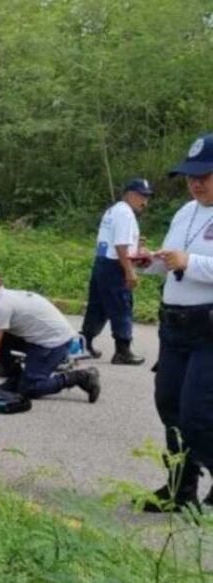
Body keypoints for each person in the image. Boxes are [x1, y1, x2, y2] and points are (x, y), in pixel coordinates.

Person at [139, 134, 213, 512]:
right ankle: (180, 490)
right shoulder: (186, 211)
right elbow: (173, 260)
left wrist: (190, 263)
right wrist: (150, 261)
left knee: (197, 411)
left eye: (205, 175)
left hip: (209, 328)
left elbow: (188, 262)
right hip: (175, 326)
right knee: (169, 404)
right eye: (190, 176)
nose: (196, 183)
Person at [0, 268, 101, 402]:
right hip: (41, 337)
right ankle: (16, 380)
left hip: (54, 343)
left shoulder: (1, 306)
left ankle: (81, 377)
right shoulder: (2, 297)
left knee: (30, 389)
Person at [79, 178, 153, 364]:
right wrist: (129, 271)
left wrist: (136, 244)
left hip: (102, 262)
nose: (144, 201)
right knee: (122, 306)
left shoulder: (114, 210)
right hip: (115, 265)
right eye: (141, 195)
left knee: (98, 306)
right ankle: (123, 351)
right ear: (129, 194)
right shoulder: (126, 214)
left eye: (146, 196)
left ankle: (83, 343)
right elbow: (121, 246)